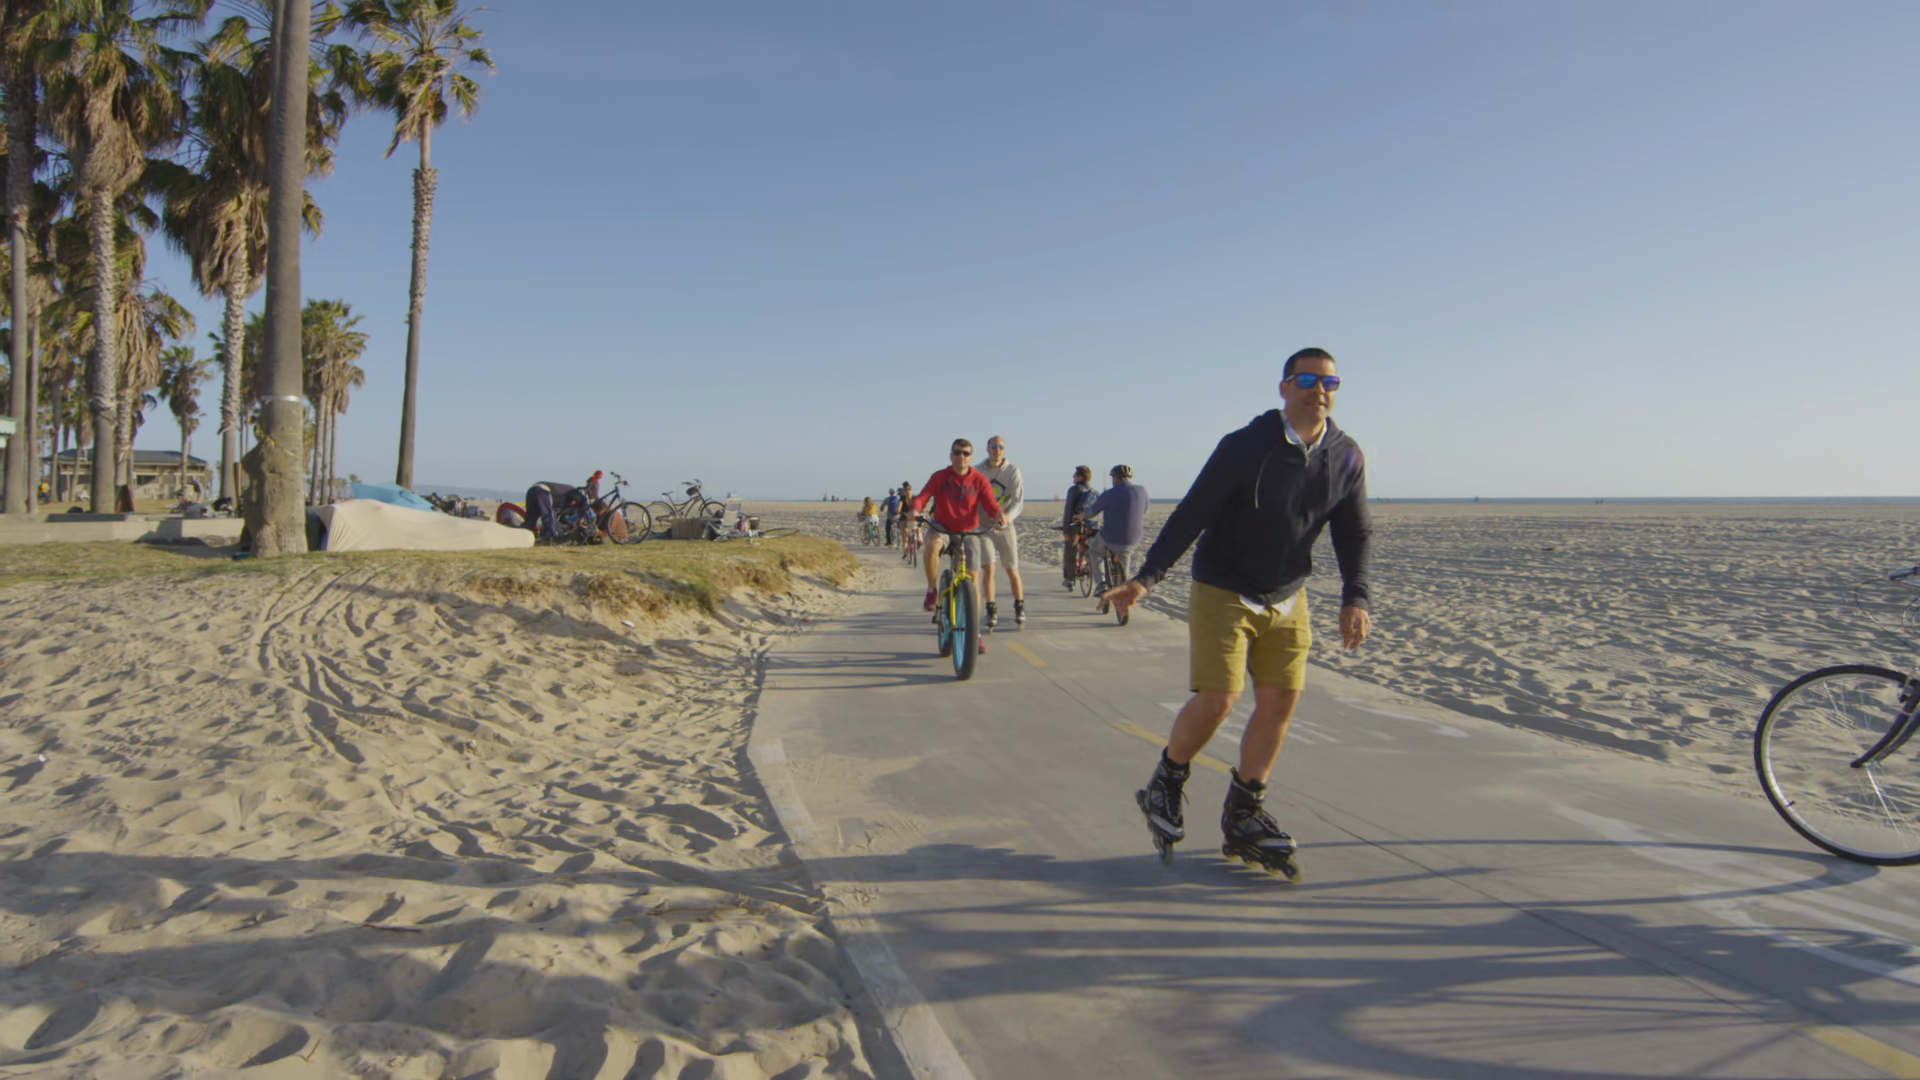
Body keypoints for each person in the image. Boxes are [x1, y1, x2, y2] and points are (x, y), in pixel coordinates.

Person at [1101, 347, 1371, 878]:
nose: (1320, 390)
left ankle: (1245, 810)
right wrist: (1146, 578)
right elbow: (1192, 514)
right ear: (1284, 388)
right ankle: (1166, 782)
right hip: (1223, 586)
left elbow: (1354, 531)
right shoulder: (1245, 445)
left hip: (1288, 595)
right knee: (1219, 698)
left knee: (1280, 703)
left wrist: (1355, 596)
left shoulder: (1346, 456)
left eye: (1330, 382)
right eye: (1307, 380)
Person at [909, 439, 1007, 649]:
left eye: (966, 453)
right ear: (951, 455)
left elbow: (990, 504)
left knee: (973, 580)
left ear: (971, 457)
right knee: (932, 542)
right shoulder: (940, 477)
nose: (961, 456)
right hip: (943, 527)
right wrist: (915, 510)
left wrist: (999, 515)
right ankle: (932, 589)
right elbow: (923, 496)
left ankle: (974, 631)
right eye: (957, 452)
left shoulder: (979, 479)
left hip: (969, 531)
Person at [1078, 465, 1150, 609]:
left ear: (1115, 478)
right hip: (1133, 538)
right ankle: (1124, 583)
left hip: (1110, 536)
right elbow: (1145, 510)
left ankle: (1101, 584)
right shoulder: (1142, 491)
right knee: (1124, 557)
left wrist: (1080, 515)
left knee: (1094, 550)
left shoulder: (1109, 493)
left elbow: (1091, 512)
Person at [973, 436, 1026, 628]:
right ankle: (991, 608)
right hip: (984, 526)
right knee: (989, 568)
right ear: (988, 448)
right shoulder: (978, 470)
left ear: (1004, 450)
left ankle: (1019, 606)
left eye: (1001, 447)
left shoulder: (1012, 471)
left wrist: (1006, 518)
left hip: (1004, 525)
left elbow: (1018, 501)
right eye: (994, 446)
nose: (997, 450)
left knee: (1011, 568)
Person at [525, 475, 594, 543]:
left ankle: (523, 533)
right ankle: (549, 537)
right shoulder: (574, 491)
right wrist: (581, 519)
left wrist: (568, 523)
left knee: (531, 520)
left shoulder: (562, 500)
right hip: (543, 491)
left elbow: (558, 516)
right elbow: (585, 503)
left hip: (532, 490)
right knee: (548, 515)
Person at [1060, 466, 1094, 588]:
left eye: (1075, 475)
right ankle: (1093, 572)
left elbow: (1068, 509)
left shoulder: (1074, 489)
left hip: (1075, 525)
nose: (1073, 477)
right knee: (1090, 548)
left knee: (1070, 550)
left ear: (1080, 477)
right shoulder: (1093, 491)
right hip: (1090, 525)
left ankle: (1069, 579)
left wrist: (1066, 529)